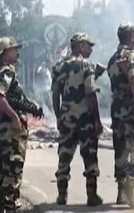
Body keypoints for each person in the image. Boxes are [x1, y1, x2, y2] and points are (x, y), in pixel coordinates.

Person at [51, 32, 103, 206]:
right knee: (90, 159)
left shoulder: (59, 67)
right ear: (80, 45)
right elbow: (91, 92)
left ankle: (61, 195)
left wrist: (58, 116)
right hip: (84, 121)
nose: (90, 49)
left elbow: (55, 94)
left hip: (66, 120)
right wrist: (97, 120)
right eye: (88, 45)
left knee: (64, 158)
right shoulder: (86, 65)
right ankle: (91, 196)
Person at [0, 37, 31, 213]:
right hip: (9, 131)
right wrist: (15, 118)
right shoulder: (7, 71)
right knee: (13, 172)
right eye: (14, 49)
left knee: (1, 171)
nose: (18, 52)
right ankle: (10, 206)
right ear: (5, 52)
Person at [107, 20, 134, 207]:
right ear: (131, 36)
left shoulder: (112, 59)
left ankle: (121, 192)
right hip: (130, 111)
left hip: (116, 112)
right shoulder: (133, 56)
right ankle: (131, 192)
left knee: (120, 152)